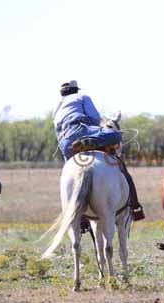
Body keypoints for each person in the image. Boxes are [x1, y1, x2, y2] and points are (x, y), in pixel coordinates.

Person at [53, 80, 143, 220]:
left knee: (68, 173)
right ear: (76, 90)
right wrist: (104, 127)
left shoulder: (56, 108)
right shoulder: (82, 97)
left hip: (65, 143)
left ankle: (79, 217)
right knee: (116, 135)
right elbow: (95, 118)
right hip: (81, 131)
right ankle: (134, 205)